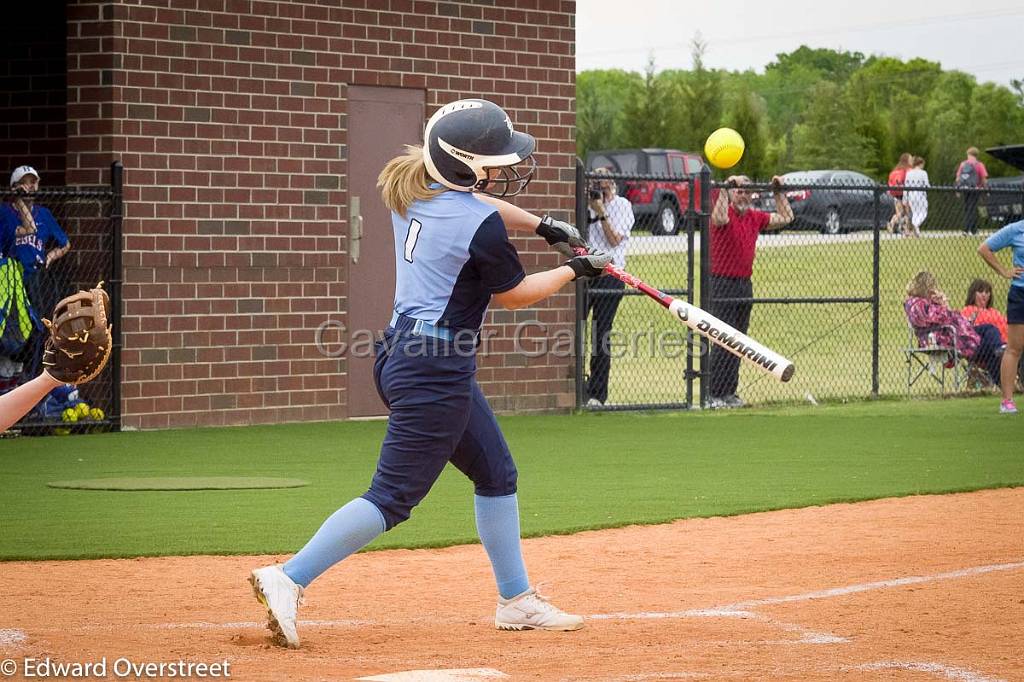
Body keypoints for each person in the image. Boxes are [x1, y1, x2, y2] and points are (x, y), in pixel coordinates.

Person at [249, 99, 611, 649]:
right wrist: (574, 269)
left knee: (496, 472)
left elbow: (476, 203)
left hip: (403, 354)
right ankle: (289, 577)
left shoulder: (412, 189)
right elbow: (513, 295)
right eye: (493, 160)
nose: (504, 168)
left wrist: (544, 225)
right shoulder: (482, 227)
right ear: (463, 163)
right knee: (392, 498)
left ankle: (517, 601)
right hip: (434, 371)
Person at [707, 175, 793, 409]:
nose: (743, 195)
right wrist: (726, 188)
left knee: (739, 341)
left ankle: (729, 392)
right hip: (721, 283)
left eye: (747, 191)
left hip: (744, 283)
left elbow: (786, 217)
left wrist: (778, 192)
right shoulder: (725, 212)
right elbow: (719, 218)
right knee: (723, 339)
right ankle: (713, 394)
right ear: (733, 194)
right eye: (739, 191)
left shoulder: (755, 217)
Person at [1, 166, 71, 375]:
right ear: (15, 186)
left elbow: (65, 244)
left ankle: (29, 374)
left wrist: (50, 256)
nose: (31, 186)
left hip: (37, 279)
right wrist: (19, 199)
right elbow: (29, 228)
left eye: (34, 182)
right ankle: (10, 373)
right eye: (25, 182)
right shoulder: (5, 212)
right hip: (12, 279)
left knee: (40, 328)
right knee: (15, 330)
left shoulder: (44, 214)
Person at [584, 167, 634, 407]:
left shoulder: (622, 205)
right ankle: (577, 387)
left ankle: (597, 393)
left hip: (611, 274)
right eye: (594, 183)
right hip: (586, 273)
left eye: (602, 184)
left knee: (601, 332)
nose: (598, 189)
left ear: (611, 184)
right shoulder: (585, 203)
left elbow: (614, 240)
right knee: (575, 329)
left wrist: (601, 212)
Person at [904, 271, 1003, 388]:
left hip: (960, 331)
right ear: (924, 287)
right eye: (931, 286)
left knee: (989, 329)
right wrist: (943, 304)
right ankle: (1003, 380)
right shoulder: (916, 304)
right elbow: (939, 317)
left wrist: (942, 305)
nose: (934, 289)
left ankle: (1000, 349)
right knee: (988, 350)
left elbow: (945, 317)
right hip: (951, 338)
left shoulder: (929, 302)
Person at [978, 219, 1024, 413]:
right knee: (1015, 348)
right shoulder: (1017, 229)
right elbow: (984, 249)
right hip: (1020, 294)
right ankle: (1007, 401)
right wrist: (1005, 271)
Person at [962, 279, 1008, 343]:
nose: (984, 294)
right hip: (982, 342)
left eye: (987, 292)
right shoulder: (968, 310)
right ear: (973, 294)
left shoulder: (994, 312)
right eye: (980, 291)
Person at [955, 147, 988, 236]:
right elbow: (984, 178)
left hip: (965, 188)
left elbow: (958, 178)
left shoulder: (963, 164)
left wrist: (957, 189)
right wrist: (986, 189)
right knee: (973, 208)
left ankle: (968, 229)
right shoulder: (979, 165)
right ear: (976, 155)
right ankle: (972, 229)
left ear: (968, 154)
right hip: (975, 189)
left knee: (967, 208)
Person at [886, 153, 913, 235]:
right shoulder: (908, 171)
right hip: (905, 193)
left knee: (899, 213)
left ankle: (892, 223)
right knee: (907, 212)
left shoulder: (895, 171)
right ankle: (906, 229)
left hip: (895, 193)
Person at [904, 156, 929, 238]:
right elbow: (926, 185)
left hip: (911, 194)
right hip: (920, 194)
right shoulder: (923, 173)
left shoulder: (909, 173)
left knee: (915, 212)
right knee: (923, 212)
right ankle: (915, 224)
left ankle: (916, 229)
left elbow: (906, 186)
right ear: (921, 164)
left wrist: (905, 198)